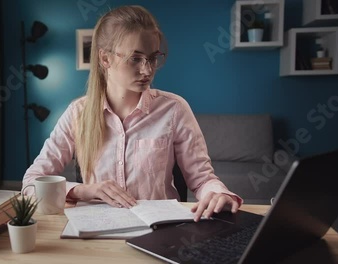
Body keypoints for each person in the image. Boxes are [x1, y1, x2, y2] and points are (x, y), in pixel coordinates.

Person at [22, 5, 241, 221]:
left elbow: (202, 179)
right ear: (105, 59)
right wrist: (84, 191)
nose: (147, 70)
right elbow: (31, 183)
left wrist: (217, 193)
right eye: (135, 58)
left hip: (160, 232)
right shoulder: (77, 114)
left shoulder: (174, 109)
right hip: (98, 233)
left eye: (153, 58)